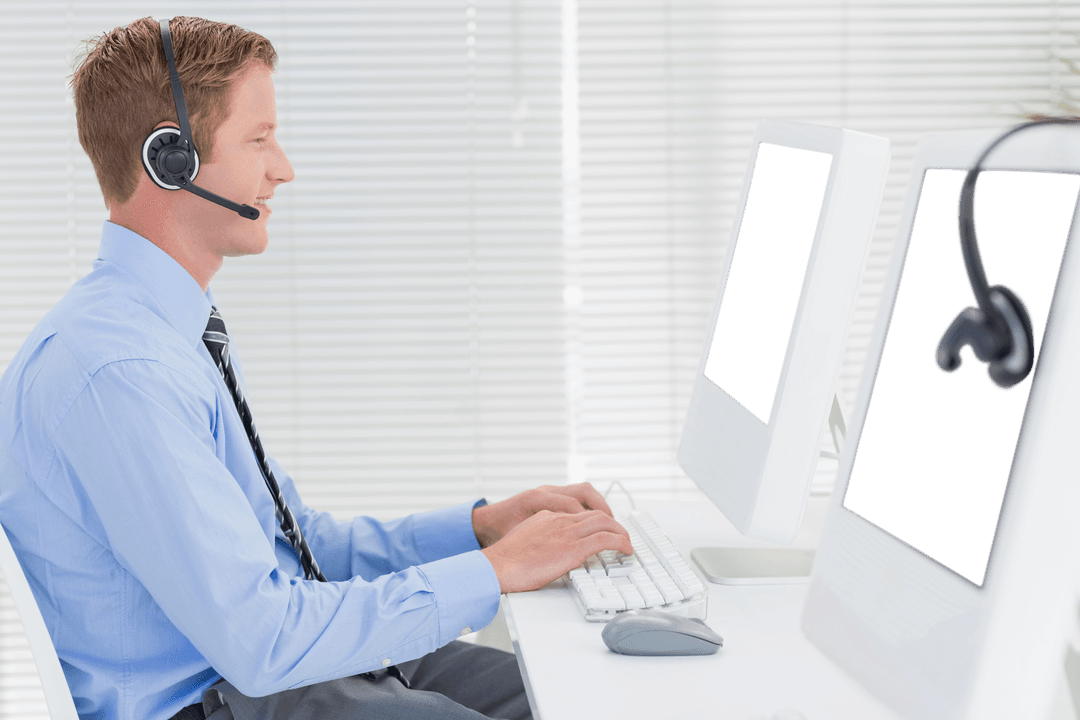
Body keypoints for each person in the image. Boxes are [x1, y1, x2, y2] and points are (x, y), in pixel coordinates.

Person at [0, 16, 632, 720]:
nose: (283, 168)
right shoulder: (118, 370)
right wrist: (496, 573)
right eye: (260, 138)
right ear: (169, 160)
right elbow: (262, 639)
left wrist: (480, 530)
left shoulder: (166, 330)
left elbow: (295, 547)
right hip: (220, 697)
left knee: (584, 692)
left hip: (269, 670)